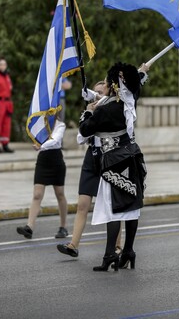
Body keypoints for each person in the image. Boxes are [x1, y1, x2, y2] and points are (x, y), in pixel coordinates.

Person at [78, 62, 148, 272]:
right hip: (133, 157)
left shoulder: (104, 110)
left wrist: (89, 111)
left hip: (114, 162)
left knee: (113, 208)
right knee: (131, 207)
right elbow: (135, 85)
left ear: (112, 85)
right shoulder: (129, 101)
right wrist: (140, 72)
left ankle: (110, 254)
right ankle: (128, 250)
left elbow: (84, 130)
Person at [56, 81, 108, 258]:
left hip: (108, 159)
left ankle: (117, 247)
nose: (97, 96)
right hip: (91, 159)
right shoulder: (90, 113)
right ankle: (73, 245)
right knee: (82, 205)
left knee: (111, 207)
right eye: (95, 92)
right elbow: (81, 137)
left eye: (100, 92)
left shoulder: (112, 110)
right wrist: (89, 113)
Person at [16, 119, 68, 240]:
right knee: (37, 194)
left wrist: (40, 145)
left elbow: (55, 139)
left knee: (60, 194)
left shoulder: (61, 125)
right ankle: (29, 227)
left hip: (56, 159)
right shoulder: (41, 124)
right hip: (43, 160)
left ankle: (63, 227)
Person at [0, 58, 14, 153]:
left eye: (4, 64)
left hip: (7, 102)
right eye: (1, 64)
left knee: (7, 125)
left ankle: (5, 143)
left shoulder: (7, 77)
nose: (3, 66)